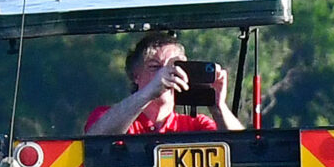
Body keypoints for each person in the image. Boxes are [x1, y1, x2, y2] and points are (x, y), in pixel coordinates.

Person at [85, 30, 244, 134]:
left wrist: (218, 107)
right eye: (154, 67)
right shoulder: (109, 116)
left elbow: (242, 149)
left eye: (173, 67)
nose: (166, 73)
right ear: (135, 75)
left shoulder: (196, 126)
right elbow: (94, 141)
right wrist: (149, 93)